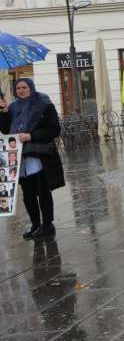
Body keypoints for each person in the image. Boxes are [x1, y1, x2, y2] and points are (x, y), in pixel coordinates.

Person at [0, 78, 65, 238]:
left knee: (43, 192)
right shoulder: (13, 107)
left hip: (39, 155)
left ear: (31, 88)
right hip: (20, 157)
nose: (21, 90)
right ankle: (35, 224)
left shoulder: (44, 103)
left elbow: (54, 128)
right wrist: (2, 111)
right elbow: (6, 130)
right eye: (18, 88)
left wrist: (30, 136)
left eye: (24, 87)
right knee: (28, 194)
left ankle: (47, 225)